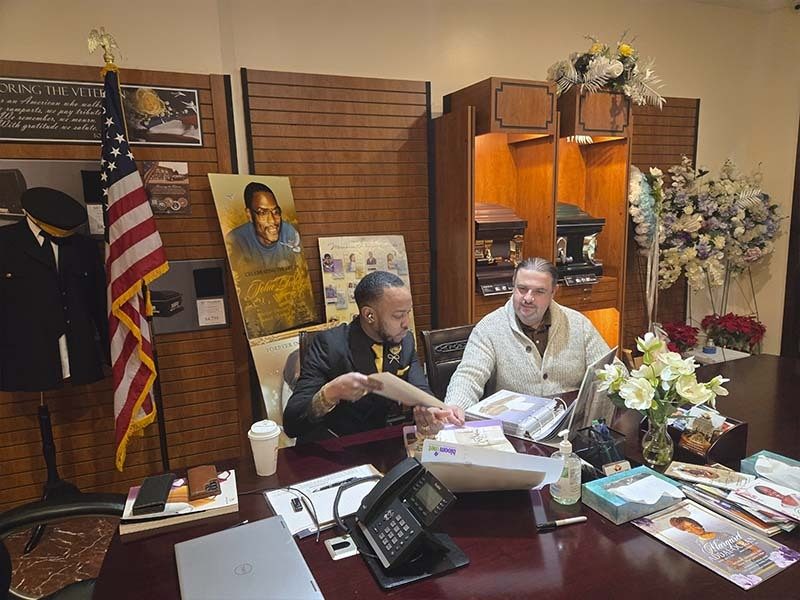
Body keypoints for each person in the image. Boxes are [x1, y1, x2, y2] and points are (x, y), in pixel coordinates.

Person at [414, 257, 610, 434]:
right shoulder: (490, 327)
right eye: (522, 289)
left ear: (553, 292)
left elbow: (612, 371)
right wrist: (455, 406)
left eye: (539, 291)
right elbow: (468, 375)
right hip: (516, 436)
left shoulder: (578, 323)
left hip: (572, 430)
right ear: (513, 286)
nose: (528, 298)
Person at [283, 271, 458, 442]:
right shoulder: (330, 345)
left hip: (380, 443)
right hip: (335, 446)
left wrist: (431, 411)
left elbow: (420, 390)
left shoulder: (405, 341)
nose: (406, 323)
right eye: (398, 315)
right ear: (369, 315)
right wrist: (331, 392)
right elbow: (292, 423)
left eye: (408, 312)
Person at [225, 181, 302, 272]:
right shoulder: (235, 241)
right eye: (263, 213)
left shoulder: (289, 233)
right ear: (249, 215)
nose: (273, 220)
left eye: (276, 212)